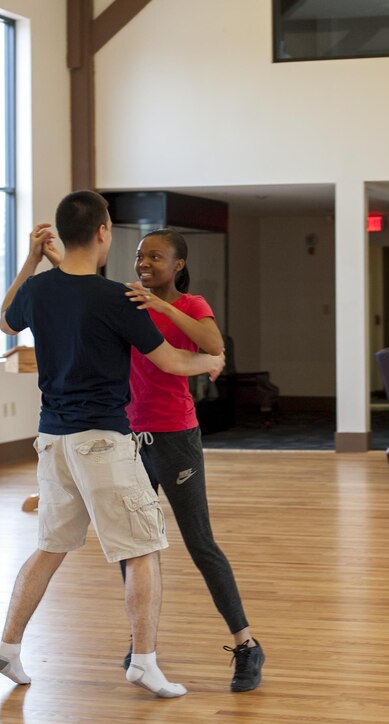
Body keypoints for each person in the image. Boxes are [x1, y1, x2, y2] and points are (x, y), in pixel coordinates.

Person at [0, 191, 225, 699]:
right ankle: (143, 662)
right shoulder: (115, 297)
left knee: (49, 548)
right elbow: (171, 362)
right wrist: (209, 363)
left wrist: (31, 260)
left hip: (52, 441)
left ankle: (8, 647)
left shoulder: (41, 290)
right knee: (143, 550)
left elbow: (7, 321)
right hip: (102, 441)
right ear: (101, 233)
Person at [119, 228, 265, 693]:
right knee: (134, 548)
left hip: (176, 437)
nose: (143, 263)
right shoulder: (124, 303)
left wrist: (160, 305)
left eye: (155, 257)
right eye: (140, 255)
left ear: (178, 264)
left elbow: (213, 344)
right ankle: (141, 645)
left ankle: (247, 645)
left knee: (200, 544)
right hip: (131, 438)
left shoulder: (190, 304)